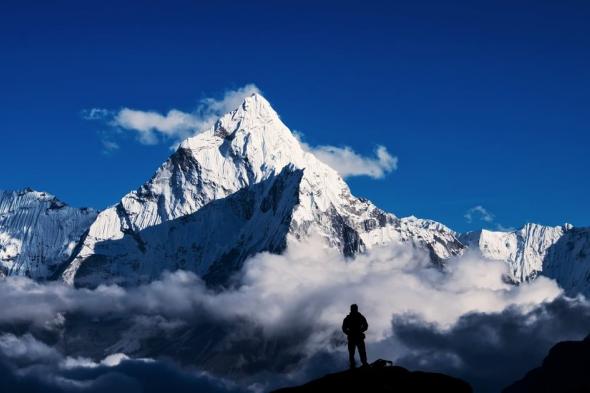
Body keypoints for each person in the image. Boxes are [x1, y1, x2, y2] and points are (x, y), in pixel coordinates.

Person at [342, 304, 369, 368]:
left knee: (359, 352)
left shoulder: (358, 317)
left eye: (354, 308)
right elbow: (344, 328)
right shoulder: (350, 318)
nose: (354, 310)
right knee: (353, 353)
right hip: (354, 337)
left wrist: (360, 331)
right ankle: (355, 365)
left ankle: (363, 364)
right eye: (353, 308)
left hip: (356, 337)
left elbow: (366, 326)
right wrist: (349, 333)